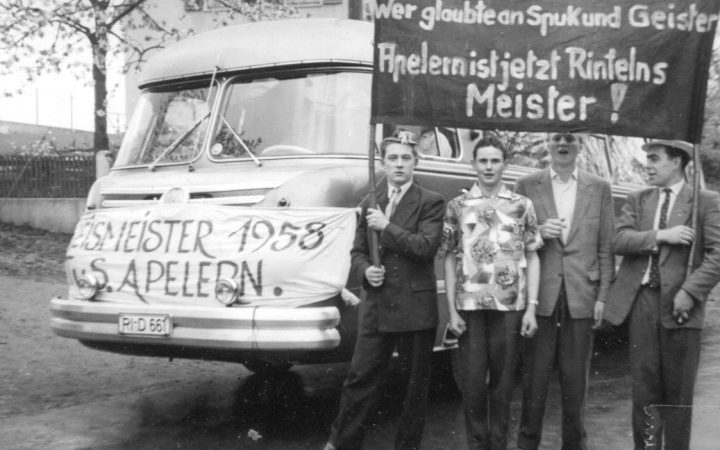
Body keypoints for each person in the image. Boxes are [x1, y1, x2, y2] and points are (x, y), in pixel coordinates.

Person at [324, 130, 445, 450]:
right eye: (393, 158)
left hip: (414, 308)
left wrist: (386, 227)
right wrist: (367, 272)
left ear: (416, 162)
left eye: (406, 158)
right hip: (377, 305)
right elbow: (357, 253)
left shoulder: (431, 201)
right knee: (359, 378)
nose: (400, 164)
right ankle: (342, 443)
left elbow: (425, 247)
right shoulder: (372, 203)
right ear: (382, 162)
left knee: (412, 387)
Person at [604, 139, 720, 450]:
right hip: (642, 302)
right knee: (644, 391)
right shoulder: (639, 199)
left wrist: (690, 292)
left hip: (683, 305)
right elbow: (619, 240)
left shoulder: (704, 202)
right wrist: (660, 236)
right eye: (647, 159)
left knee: (679, 395)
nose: (648, 165)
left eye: (655, 159)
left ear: (677, 162)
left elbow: (717, 254)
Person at [515, 131, 614, 450]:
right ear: (547, 143)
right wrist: (539, 233)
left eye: (570, 139)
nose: (562, 144)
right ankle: (527, 444)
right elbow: (513, 244)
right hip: (539, 295)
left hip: (581, 295)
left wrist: (602, 297)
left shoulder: (599, 188)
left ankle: (575, 445)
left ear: (579, 146)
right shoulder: (527, 185)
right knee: (534, 379)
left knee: (576, 384)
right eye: (556, 138)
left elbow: (605, 248)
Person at [442, 136, 542, 449]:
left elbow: (533, 255)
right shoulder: (457, 206)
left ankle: (498, 444)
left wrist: (531, 308)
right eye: (483, 161)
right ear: (474, 165)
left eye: (495, 161)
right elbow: (448, 257)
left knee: (502, 385)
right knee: (472, 385)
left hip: (510, 307)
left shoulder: (521, 206)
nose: (488, 167)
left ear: (504, 164)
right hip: (469, 308)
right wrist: (452, 311)